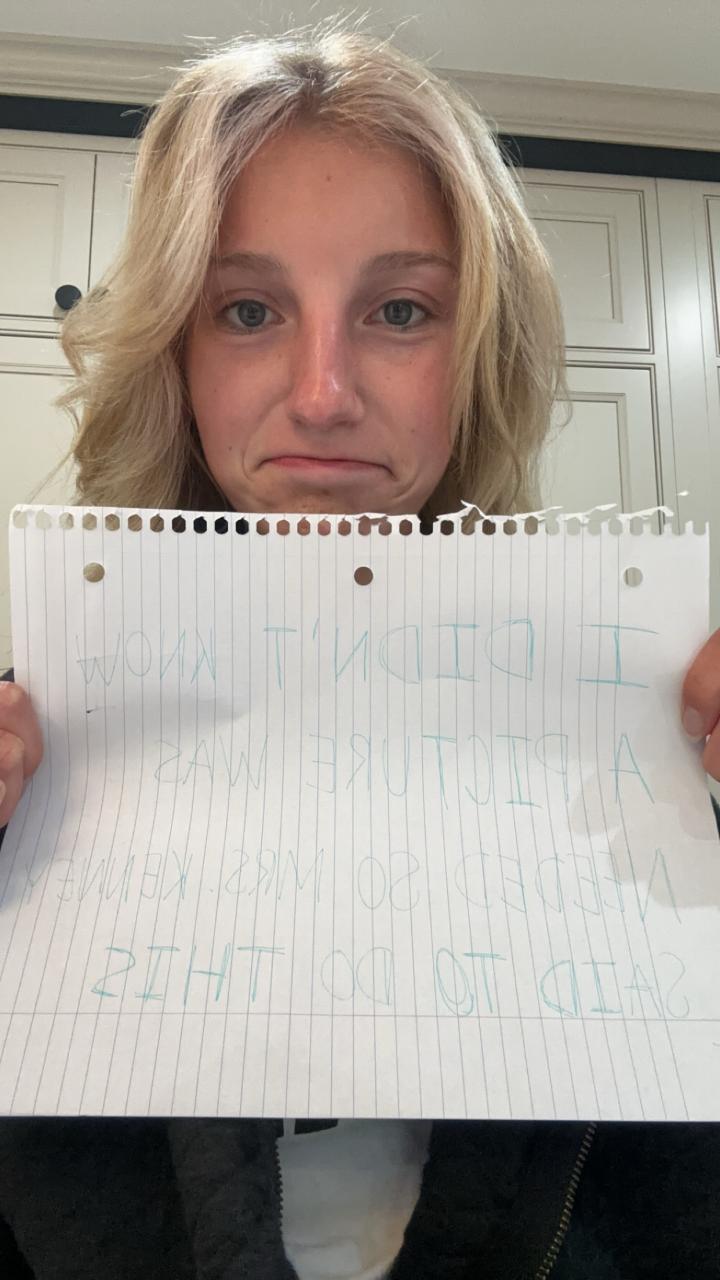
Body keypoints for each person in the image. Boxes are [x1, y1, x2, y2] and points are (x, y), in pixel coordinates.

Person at [0, 18, 719, 1279]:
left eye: (399, 309)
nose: (323, 393)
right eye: (246, 308)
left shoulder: (647, 729)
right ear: (175, 346)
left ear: (478, 349)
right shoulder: (34, 743)